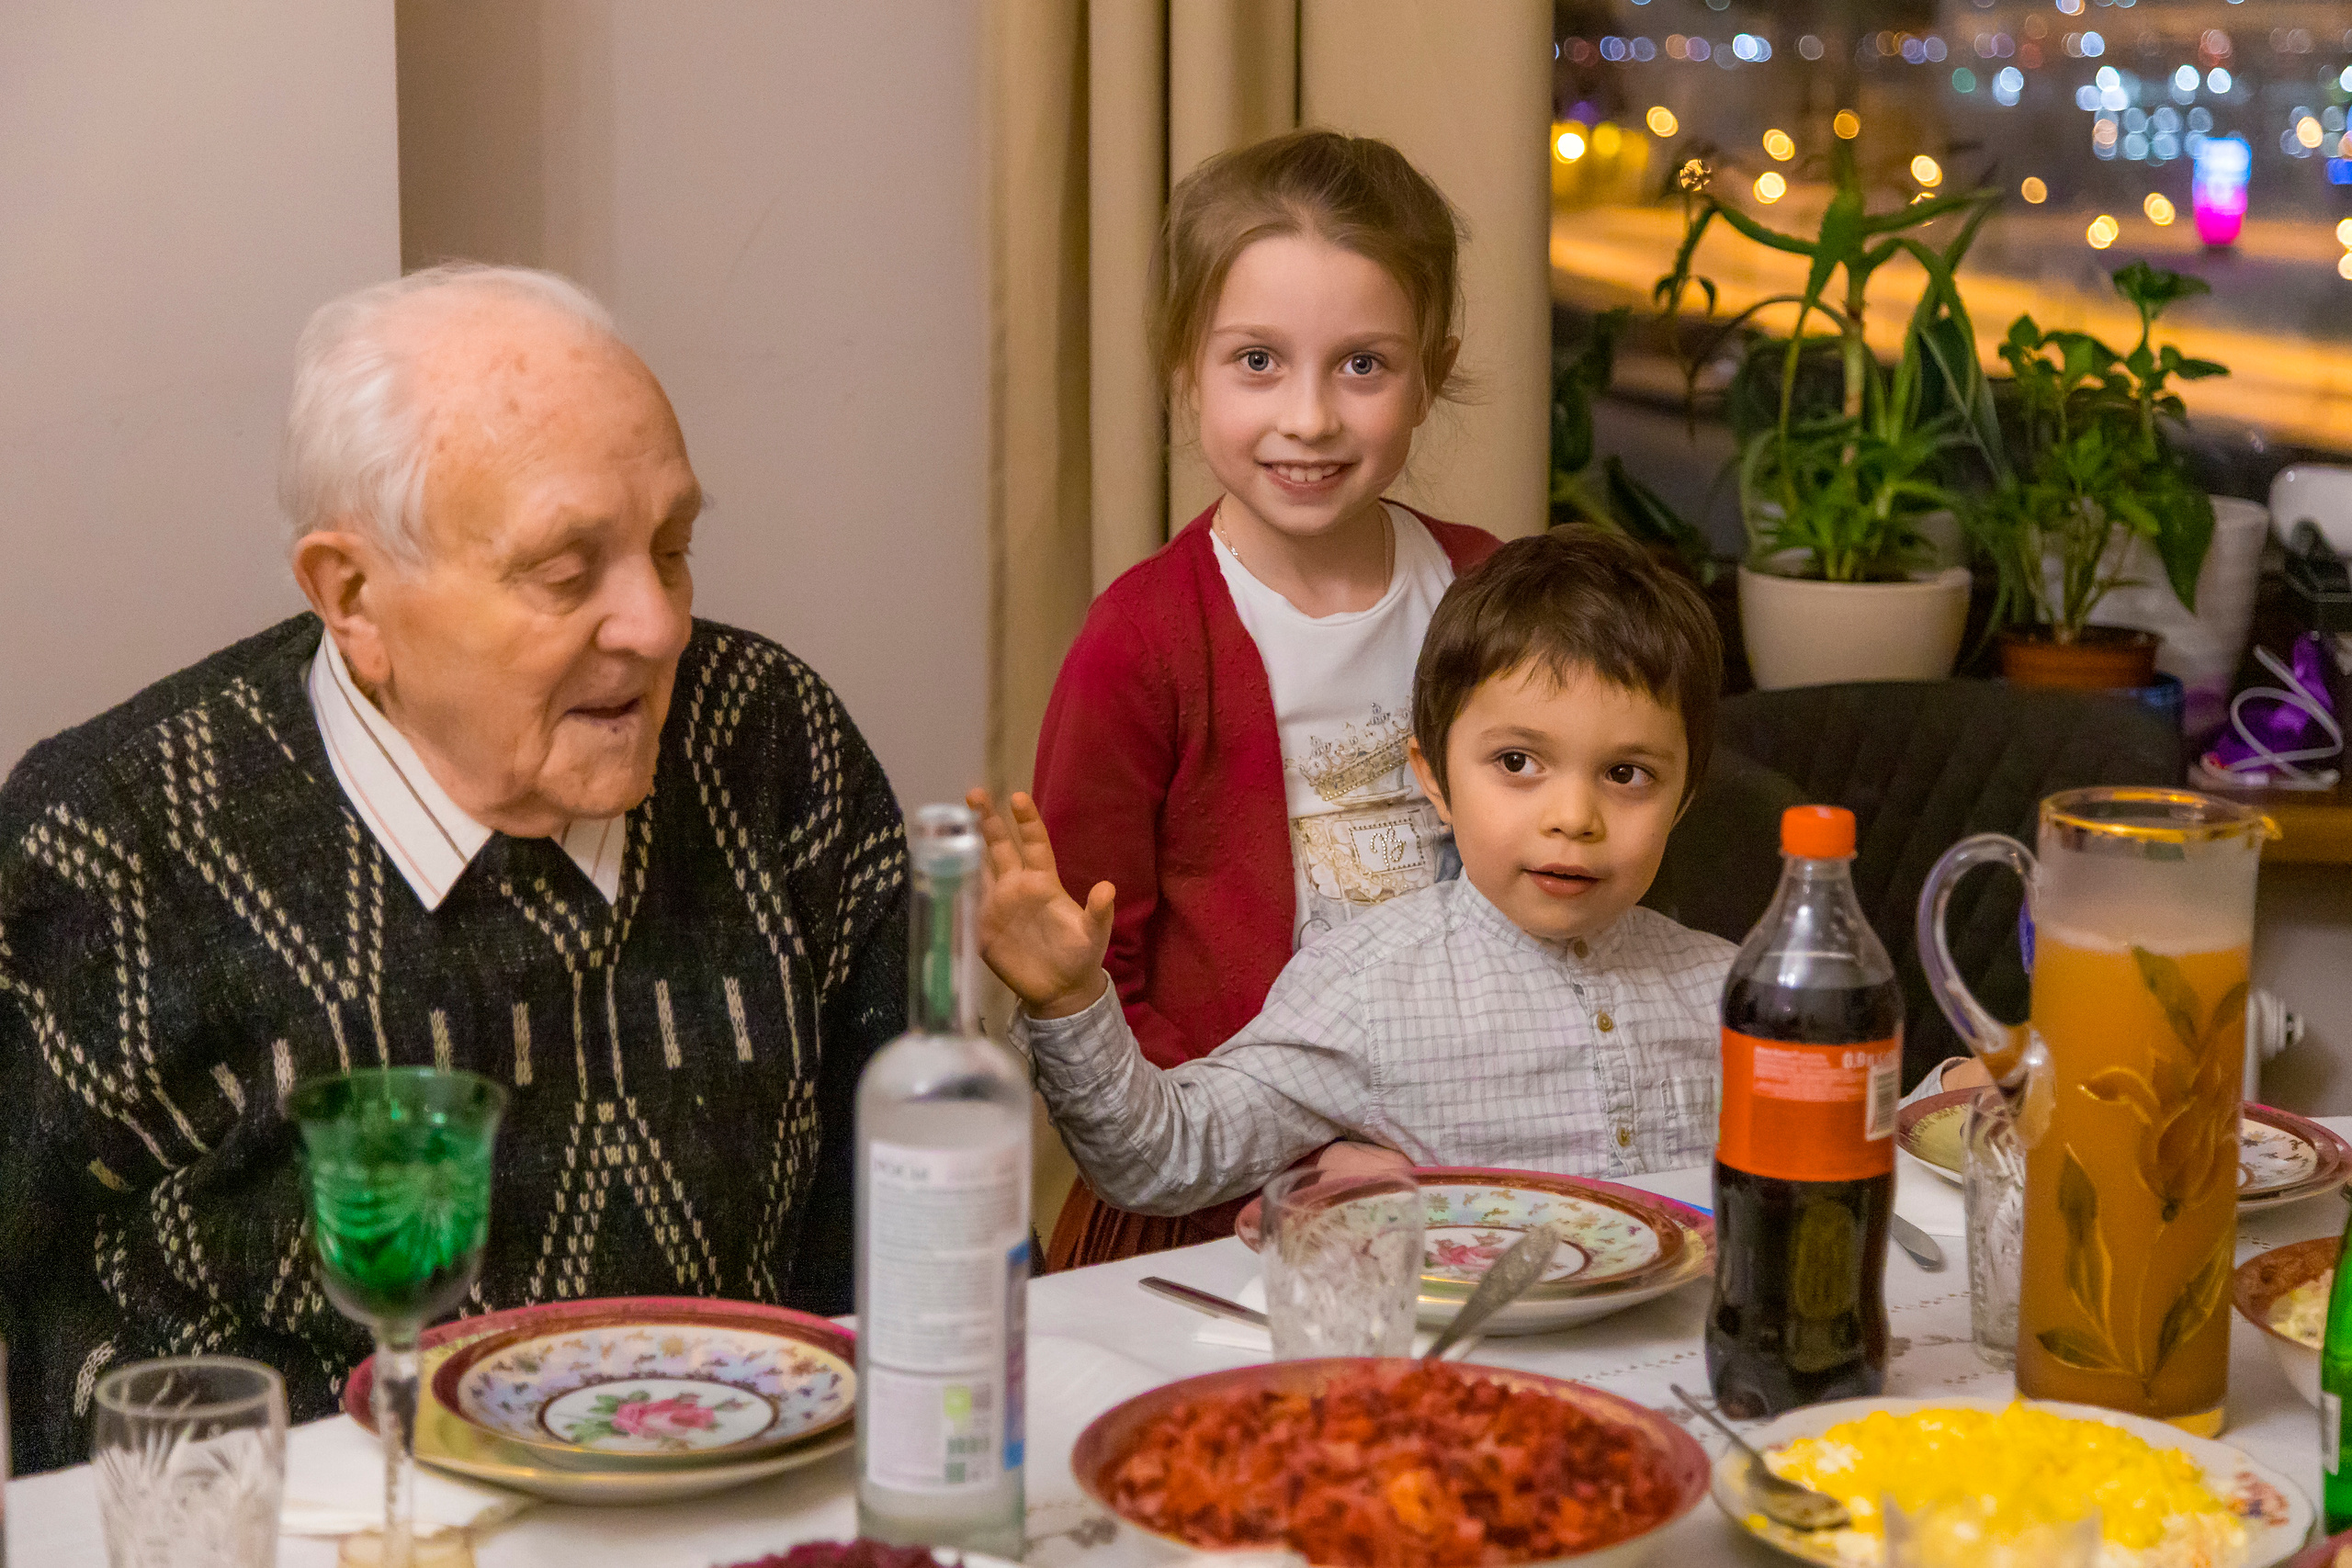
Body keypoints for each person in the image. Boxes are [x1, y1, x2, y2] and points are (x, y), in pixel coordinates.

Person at [0, 265, 908, 1472]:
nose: (659, 624)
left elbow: (911, 1238)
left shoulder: (777, 745)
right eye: (567, 571)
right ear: (355, 594)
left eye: (673, 546)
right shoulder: (110, 846)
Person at [1029, 129, 1499, 1266]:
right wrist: (1280, 1155)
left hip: (1462, 1179)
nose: (1309, 417)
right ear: (1183, 365)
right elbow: (1091, 976)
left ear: (1430, 369)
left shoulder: (1491, 595)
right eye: (1256, 361)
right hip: (1213, 1213)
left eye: (1362, 365)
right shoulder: (1139, 645)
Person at [979, 527, 1730, 1213]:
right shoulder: (1365, 989)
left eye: (1627, 774)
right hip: (1446, 1363)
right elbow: (1164, 1155)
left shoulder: (1733, 994)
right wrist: (1069, 998)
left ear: (1685, 795)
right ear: (1433, 777)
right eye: (1517, 762)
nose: (1575, 816)